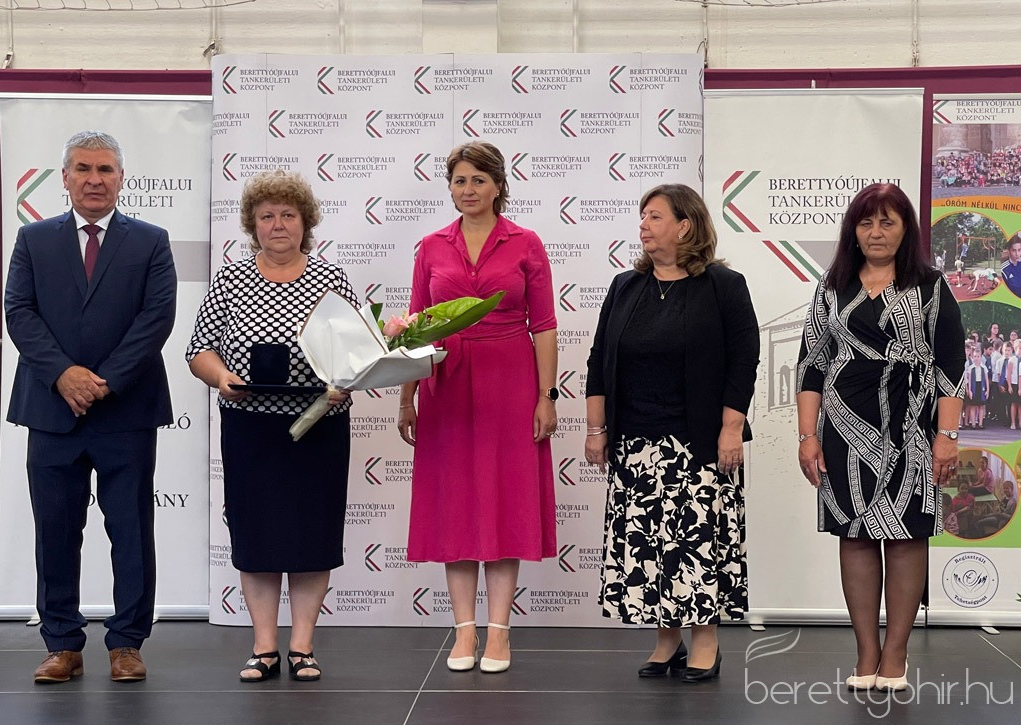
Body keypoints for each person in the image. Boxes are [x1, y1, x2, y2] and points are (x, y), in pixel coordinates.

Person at [4, 131, 177, 683]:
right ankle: (62, 644)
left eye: (105, 169)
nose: (94, 179)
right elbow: (19, 312)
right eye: (83, 169)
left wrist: (102, 382)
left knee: (131, 532)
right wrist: (63, 374)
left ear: (121, 178)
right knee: (55, 531)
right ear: (65, 178)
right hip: (51, 411)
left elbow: (157, 317)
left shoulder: (150, 241)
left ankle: (127, 643)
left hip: (126, 410)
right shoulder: (33, 239)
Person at [186, 170, 356, 683]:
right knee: (257, 534)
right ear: (252, 224)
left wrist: (345, 380)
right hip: (250, 428)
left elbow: (356, 352)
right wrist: (221, 377)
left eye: (288, 215)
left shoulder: (331, 278)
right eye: (267, 216)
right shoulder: (230, 278)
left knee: (312, 534)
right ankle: (263, 646)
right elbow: (199, 350)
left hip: (319, 425)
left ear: (305, 222)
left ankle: (302, 646)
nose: (278, 224)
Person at [585, 183, 759, 682]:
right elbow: (599, 360)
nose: (643, 225)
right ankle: (666, 639)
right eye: (642, 216)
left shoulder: (724, 286)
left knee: (696, 544)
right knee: (649, 548)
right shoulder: (625, 286)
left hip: (698, 442)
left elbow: (743, 362)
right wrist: (596, 428)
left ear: (685, 226)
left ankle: (705, 641)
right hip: (635, 442)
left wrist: (731, 429)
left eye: (654, 216)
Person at [797, 183, 965, 693]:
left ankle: (896, 653)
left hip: (912, 428)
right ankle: (866, 651)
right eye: (866, 222)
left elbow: (951, 365)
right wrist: (807, 436)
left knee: (907, 533)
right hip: (844, 429)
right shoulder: (832, 287)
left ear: (905, 229)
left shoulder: (931, 286)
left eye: (888, 222)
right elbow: (811, 365)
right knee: (855, 534)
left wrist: (947, 435)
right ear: (853, 230)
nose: (876, 232)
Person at [398, 141, 557, 674]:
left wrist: (546, 396)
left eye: (478, 180)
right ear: (450, 188)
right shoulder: (430, 246)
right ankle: (464, 630)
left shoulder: (526, 243)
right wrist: (406, 396)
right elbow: (416, 327)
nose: (468, 190)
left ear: (498, 186)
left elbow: (544, 326)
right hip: (445, 387)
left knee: (505, 503)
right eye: (459, 181)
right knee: (455, 506)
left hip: (510, 383)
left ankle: (499, 632)